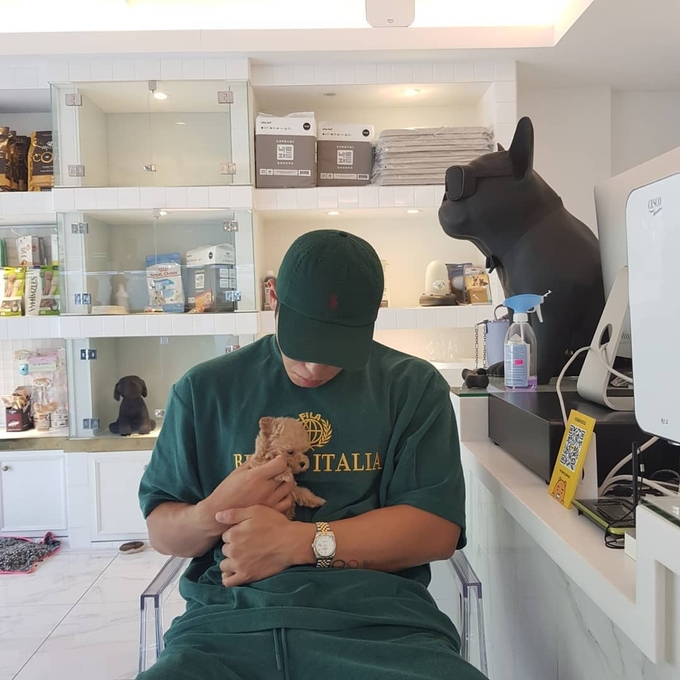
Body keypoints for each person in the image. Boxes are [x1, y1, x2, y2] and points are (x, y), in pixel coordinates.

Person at [137, 229, 488, 680]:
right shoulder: (204, 390)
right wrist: (213, 512)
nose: (315, 367)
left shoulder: (411, 388)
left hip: (381, 630)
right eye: (304, 342)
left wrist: (295, 543)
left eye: (337, 346)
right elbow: (163, 531)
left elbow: (435, 532)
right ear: (273, 299)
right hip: (224, 630)